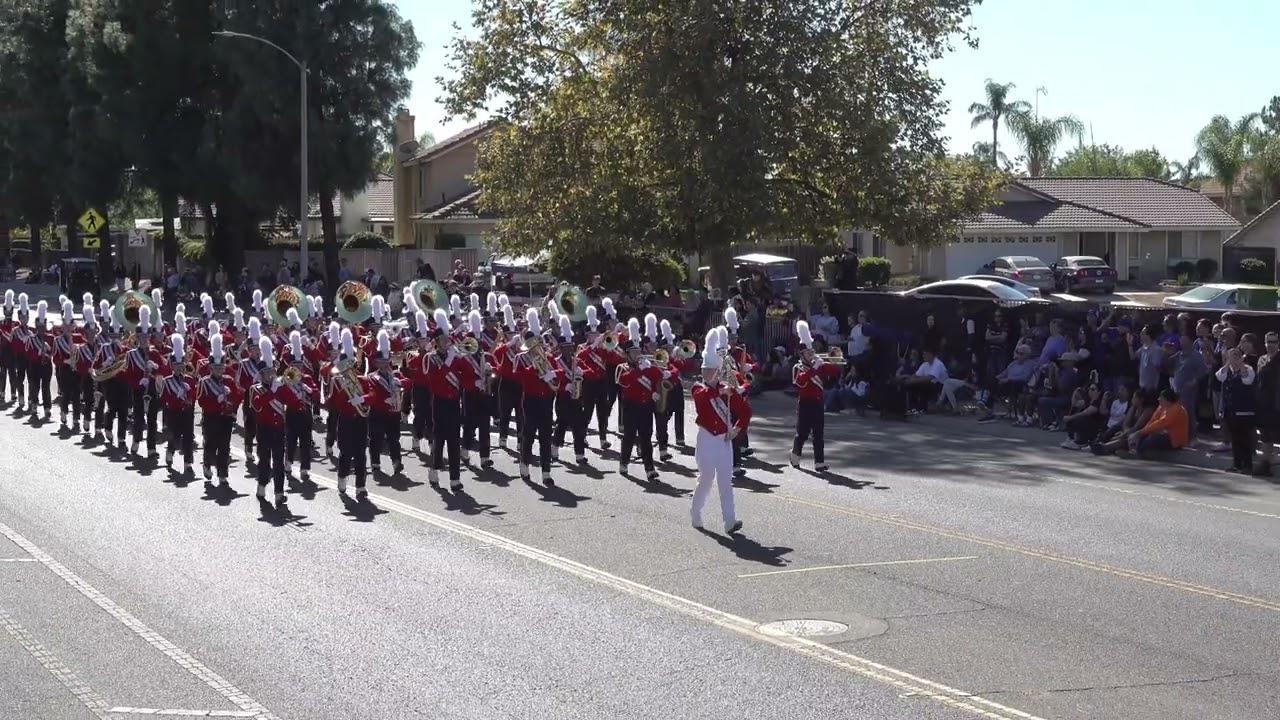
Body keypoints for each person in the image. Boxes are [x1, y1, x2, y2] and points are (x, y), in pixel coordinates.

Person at [690, 327, 748, 535]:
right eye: (706, 370)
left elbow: (746, 411)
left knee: (726, 481)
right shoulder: (698, 388)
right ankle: (695, 513)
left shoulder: (726, 389)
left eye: (711, 370)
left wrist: (737, 428)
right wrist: (720, 390)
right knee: (705, 479)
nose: (708, 374)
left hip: (724, 441)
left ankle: (729, 521)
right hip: (706, 439)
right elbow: (703, 398)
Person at [515, 308, 561, 485]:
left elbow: (560, 372)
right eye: (534, 344)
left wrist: (551, 373)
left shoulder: (548, 356)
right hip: (531, 400)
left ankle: (546, 471)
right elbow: (520, 377)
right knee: (529, 435)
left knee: (545, 437)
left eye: (539, 343)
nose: (537, 347)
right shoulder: (522, 358)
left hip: (546, 400)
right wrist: (535, 369)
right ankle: (524, 465)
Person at [790, 320, 843, 471]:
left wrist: (835, 360)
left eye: (812, 351)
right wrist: (815, 367)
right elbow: (799, 382)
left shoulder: (817, 365)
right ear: (802, 354)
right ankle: (795, 455)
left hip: (818, 403)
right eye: (808, 352)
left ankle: (819, 462)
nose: (812, 354)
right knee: (802, 434)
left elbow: (834, 371)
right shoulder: (798, 367)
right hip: (805, 403)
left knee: (819, 434)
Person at [616, 318, 664, 481]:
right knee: (629, 436)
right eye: (634, 353)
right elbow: (624, 381)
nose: (637, 355)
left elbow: (660, 376)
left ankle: (649, 468)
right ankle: (624, 462)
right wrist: (639, 371)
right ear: (628, 355)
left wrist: (650, 367)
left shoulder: (646, 365)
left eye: (638, 352)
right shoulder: (623, 368)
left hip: (646, 407)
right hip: (631, 406)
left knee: (646, 438)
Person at [425, 308, 467, 491]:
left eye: (447, 339)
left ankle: (455, 478)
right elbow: (434, 380)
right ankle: (434, 468)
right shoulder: (431, 358)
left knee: (454, 440)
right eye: (443, 340)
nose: (446, 342)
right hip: (439, 402)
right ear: (436, 342)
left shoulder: (453, 355)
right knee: (439, 438)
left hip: (453, 402)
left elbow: (465, 374)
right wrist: (449, 362)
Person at [196, 329, 241, 486]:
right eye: (216, 368)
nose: (219, 370)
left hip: (226, 418)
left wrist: (232, 398)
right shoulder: (204, 381)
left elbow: (238, 395)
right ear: (211, 368)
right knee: (210, 444)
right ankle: (207, 464)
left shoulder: (228, 380)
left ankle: (223, 473)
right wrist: (217, 400)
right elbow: (201, 401)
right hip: (211, 416)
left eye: (221, 368)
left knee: (224, 445)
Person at [249, 337, 288, 505]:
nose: (272, 374)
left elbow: (291, 401)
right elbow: (257, 405)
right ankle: (262, 485)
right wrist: (272, 391)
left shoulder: (279, 387)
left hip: (279, 428)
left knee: (279, 461)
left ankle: (279, 492)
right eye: (268, 372)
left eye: (273, 371)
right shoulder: (255, 389)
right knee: (264, 460)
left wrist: (301, 392)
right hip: (264, 429)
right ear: (262, 374)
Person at [364, 329, 406, 475]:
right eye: (381, 362)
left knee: (395, 439)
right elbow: (372, 393)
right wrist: (384, 399)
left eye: (386, 362)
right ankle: (375, 462)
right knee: (376, 437)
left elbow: (409, 381)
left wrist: (399, 382)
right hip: (378, 412)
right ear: (376, 363)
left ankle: (396, 461)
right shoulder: (371, 377)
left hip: (393, 412)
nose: (384, 364)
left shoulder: (395, 374)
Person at [157, 333, 197, 473]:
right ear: (172, 367)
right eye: (176, 366)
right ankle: (170, 451)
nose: (180, 368)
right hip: (173, 412)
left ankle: (188, 462)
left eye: (181, 365)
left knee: (187, 437)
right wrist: (175, 397)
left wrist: (189, 392)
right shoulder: (168, 380)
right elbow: (163, 398)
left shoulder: (190, 380)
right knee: (174, 436)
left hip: (187, 412)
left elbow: (195, 396)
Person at [1217, 347, 1257, 472]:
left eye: (1236, 356)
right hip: (1230, 409)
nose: (1233, 359)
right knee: (1235, 438)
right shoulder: (1227, 370)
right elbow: (1219, 376)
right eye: (1231, 356)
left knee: (1244, 438)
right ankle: (1237, 464)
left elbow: (1247, 380)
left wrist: (1241, 366)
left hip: (1244, 410)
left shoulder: (1248, 369)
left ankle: (1247, 465)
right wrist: (1228, 364)